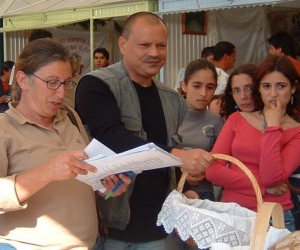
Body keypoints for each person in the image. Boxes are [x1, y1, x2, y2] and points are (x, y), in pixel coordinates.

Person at [0, 39, 130, 249]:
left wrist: (106, 187)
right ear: (23, 80)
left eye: (66, 83)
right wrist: (48, 172)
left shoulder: (71, 117)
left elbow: (83, 179)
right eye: (52, 82)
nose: (62, 93)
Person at [75, 11, 213, 248]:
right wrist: (181, 157)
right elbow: (112, 137)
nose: (154, 53)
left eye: (161, 45)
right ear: (123, 44)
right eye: (144, 45)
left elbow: (172, 147)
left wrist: (188, 188)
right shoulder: (96, 85)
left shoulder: (172, 99)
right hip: (114, 227)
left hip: (162, 228)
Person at [206, 55, 300, 232]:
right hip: (232, 213)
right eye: (266, 86)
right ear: (259, 89)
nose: (273, 94)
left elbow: (272, 177)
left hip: (272, 217)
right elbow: (212, 171)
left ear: (293, 88)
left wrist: (272, 127)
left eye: (281, 86)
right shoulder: (237, 119)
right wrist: (262, 186)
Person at [176, 59, 224, 201]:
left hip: (203, 194)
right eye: (197, 86)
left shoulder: (217, 122)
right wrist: (181, 173)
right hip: (172, 190)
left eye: (210, 87)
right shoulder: (170, 116)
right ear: (184, 86)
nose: (203, 93)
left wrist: (206, 172)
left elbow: (223, 160)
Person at [267, 31, 300, 98]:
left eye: (271, 48)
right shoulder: (298, 64)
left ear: (279, 50)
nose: (269, 52)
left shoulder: (284, 66)